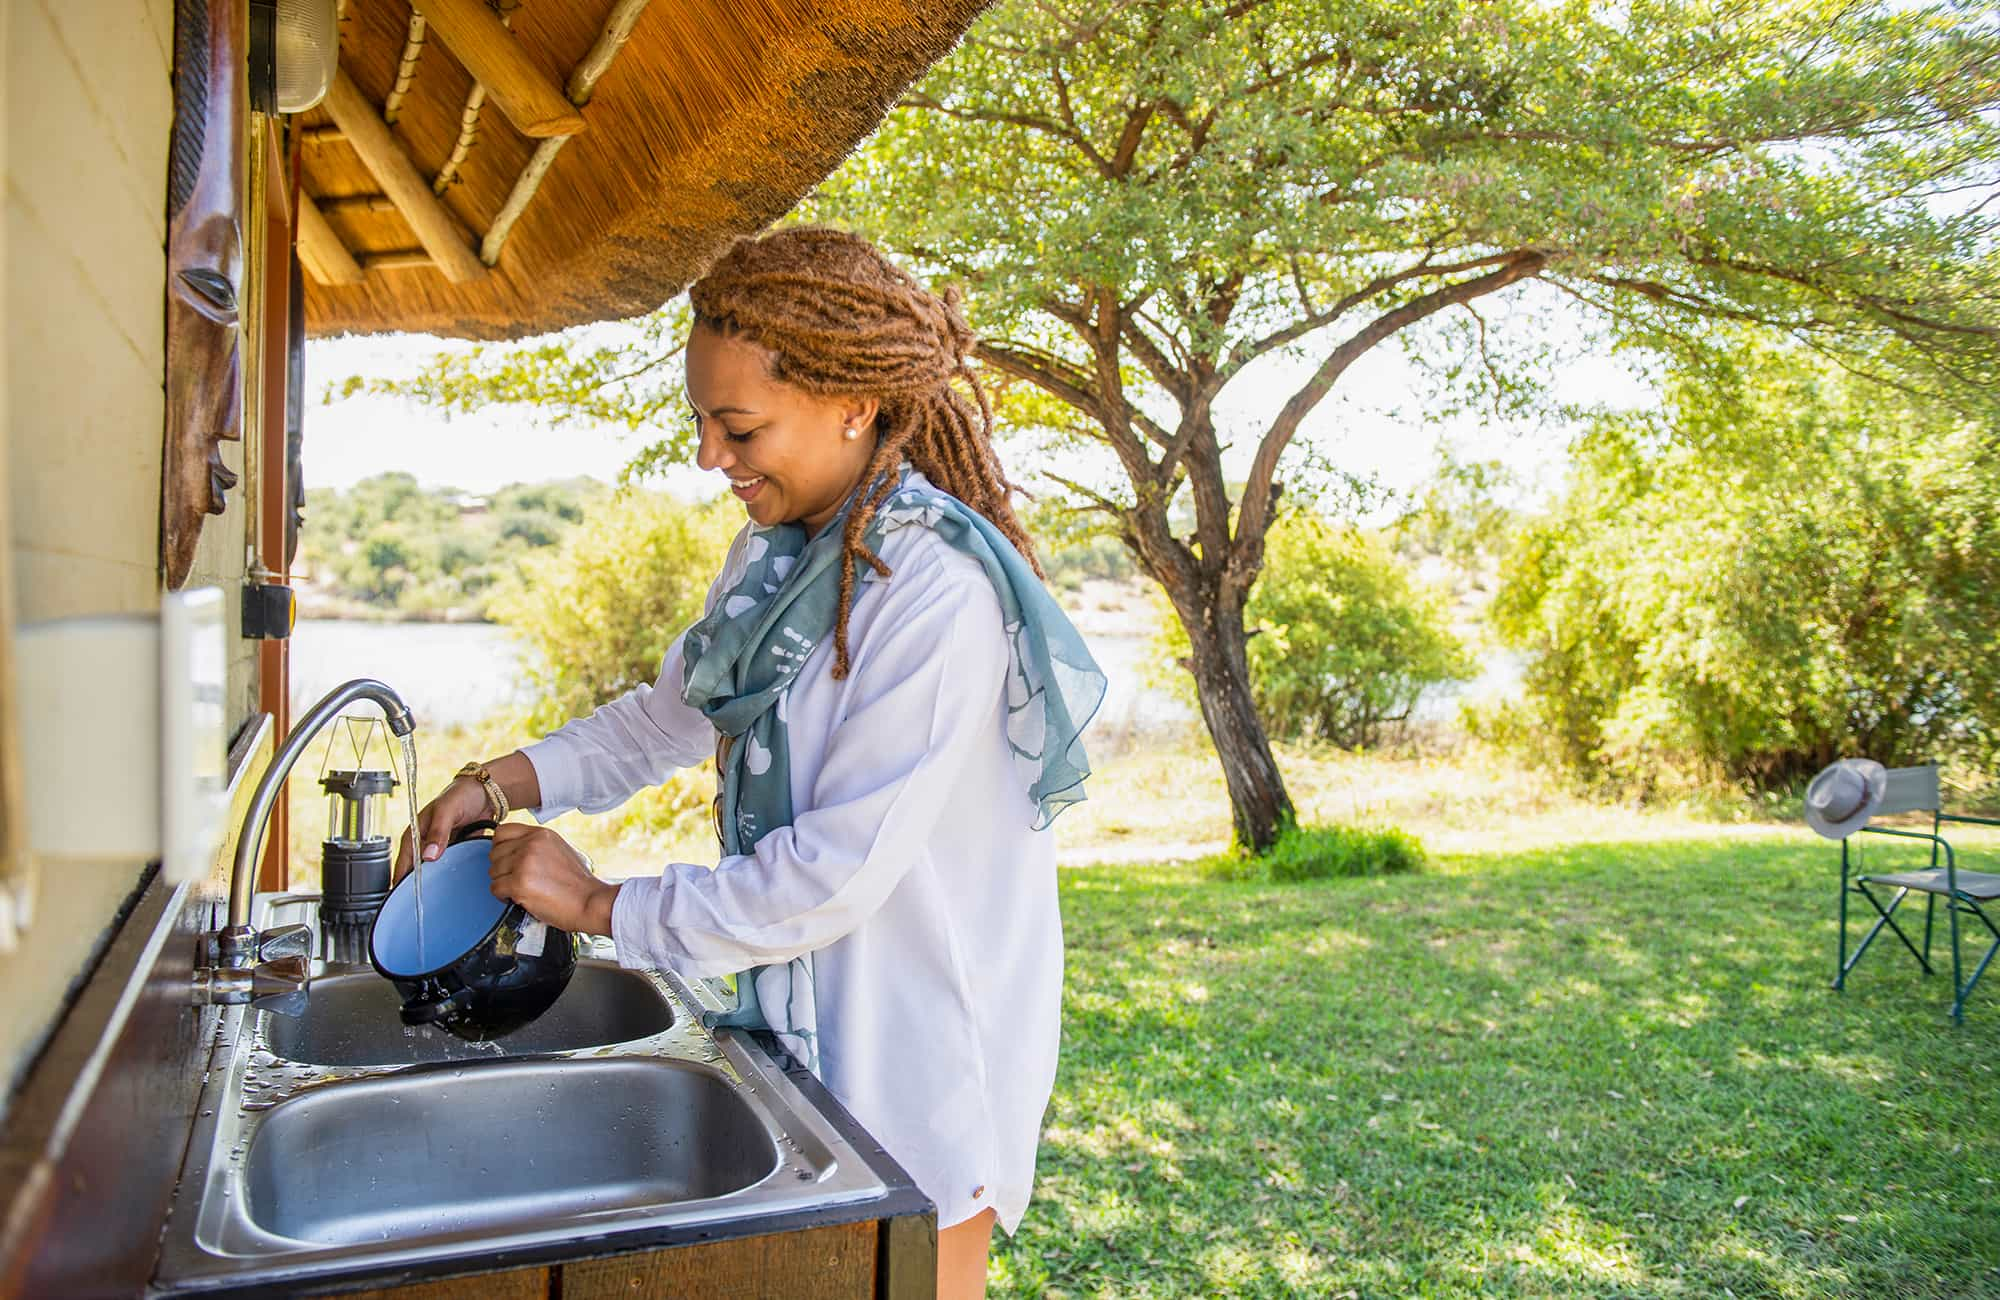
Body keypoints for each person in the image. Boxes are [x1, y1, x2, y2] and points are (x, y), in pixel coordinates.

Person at [396, 227, 1105, 1300]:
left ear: (851, 404)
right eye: (699, 422)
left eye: (738, 427)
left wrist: (595, 901)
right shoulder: (779, 556)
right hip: (803, 1029)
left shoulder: (934, 594)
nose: (708, 458)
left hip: (914, 1056)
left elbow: (829, 873)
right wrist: (500, 781)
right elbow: (664, 719)